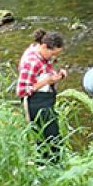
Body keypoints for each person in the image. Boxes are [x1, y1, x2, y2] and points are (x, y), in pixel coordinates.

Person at [17, 29, 67, 164]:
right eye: (53, 54)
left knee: (54, 138)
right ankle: (45, 166)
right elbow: (21, 91)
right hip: (34, 103)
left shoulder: (43, 56)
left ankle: (54, 165)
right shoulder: (32, 62)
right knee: (43, 139)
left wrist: (57, 76)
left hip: (46, 100)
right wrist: (46, 82)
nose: (53, 57)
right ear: (44, 46)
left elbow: (44, 73)